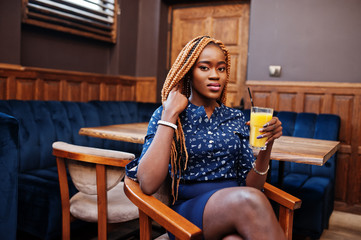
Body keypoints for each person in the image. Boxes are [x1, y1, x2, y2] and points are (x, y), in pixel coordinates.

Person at [126, 36, 284, 240]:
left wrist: (266, 145)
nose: (215, 75)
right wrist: (170, 115)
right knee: (250, 200)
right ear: (188, 72)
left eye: (221, 68)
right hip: (188, 214)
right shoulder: (166, 114)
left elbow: (253, 186)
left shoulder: (235, 118)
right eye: (204, 68)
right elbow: (147, 184)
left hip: (237, 206)